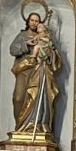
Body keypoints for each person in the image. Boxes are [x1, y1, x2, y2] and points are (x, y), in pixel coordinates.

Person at [11, 9, 62, 140]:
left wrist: (48, 51)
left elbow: (53, 53)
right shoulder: (22, 35)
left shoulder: (44, 36)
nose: (34, 23)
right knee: (18, 98)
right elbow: (12, 50)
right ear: (28, 21)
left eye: (37, 21)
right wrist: (26, 44)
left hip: (38, 70)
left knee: (37, 98)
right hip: (24, 70)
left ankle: (35, 125)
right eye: (32, 20)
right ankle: (20, 127)